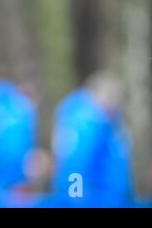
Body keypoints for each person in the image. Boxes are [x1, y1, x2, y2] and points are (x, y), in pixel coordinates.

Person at [50, 71, 135, 207]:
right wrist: (74, 197)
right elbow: (76, 162)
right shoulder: (84, 122)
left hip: (109, 197)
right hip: (92, 199)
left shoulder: (107, 124)